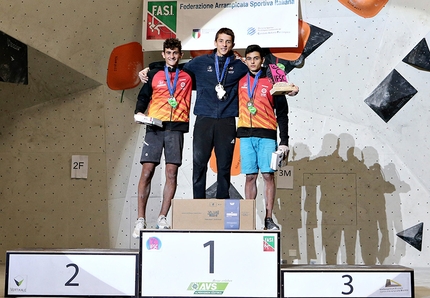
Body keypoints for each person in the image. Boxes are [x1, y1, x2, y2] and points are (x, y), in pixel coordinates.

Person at [132, 38, 193, 238]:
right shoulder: (155, 74)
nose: (172, 56)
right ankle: (140, 219)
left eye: (175, 53)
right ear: (163, 54)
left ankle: (162, 217)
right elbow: (143, 95)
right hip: (155, 126)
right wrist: (139, 111)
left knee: (171, 173)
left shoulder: (189, 75)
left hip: (176, 127)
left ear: (180, 55)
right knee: (147, 171)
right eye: (168, 53)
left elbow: (198, 65)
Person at [237, 44, 299, 230]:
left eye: (256, 58)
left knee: (268, 176)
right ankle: (248, 219)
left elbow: (282, 113)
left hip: (266, 134)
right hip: (246, 135)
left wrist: (284, 141)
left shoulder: (272, 80)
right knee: (249, 177)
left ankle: (268, 219)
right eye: (249, 58)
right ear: (245, 60)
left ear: (262, 60)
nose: (253, 62)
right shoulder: (239, 80)